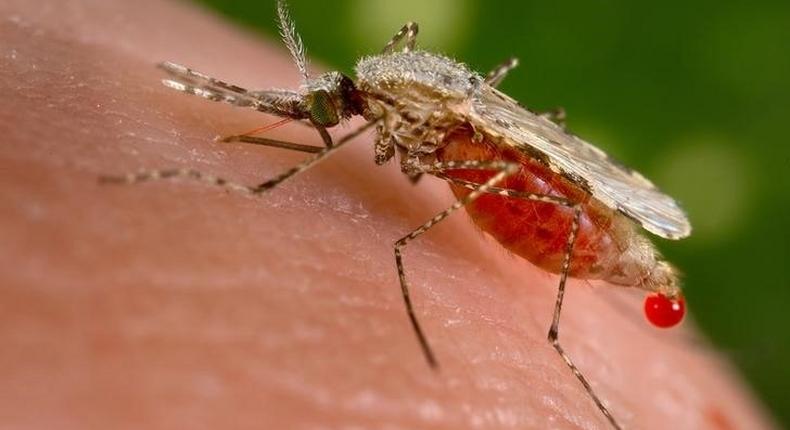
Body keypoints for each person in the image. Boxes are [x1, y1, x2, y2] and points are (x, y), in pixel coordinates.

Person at [0, 0, 775, 428]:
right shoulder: (380, 88)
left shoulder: (390, 98)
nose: (329, 115)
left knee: (476, 190)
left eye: (329, 110)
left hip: (530, 182)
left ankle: (558, 350)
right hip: (490, 151)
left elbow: (442, 134)